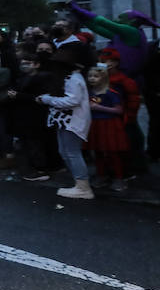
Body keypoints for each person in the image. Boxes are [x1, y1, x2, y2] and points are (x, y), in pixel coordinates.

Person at [37, 50, 94, 199]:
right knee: (65, 151)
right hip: (65, 120)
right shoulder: (68, 77)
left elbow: (72, 101)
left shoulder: (73, 78)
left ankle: (83, 187)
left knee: (72, 152)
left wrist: (48, 99)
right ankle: (79, 183)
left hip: (73, 120)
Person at [85, 64, 128, 192]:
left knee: (112, 152)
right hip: (95, 124)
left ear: (103, 78)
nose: (92, 78)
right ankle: (101, 175)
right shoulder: (90, 92)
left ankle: (119, 178)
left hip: (109, 124)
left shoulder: (110, 93)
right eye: (90, 76)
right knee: (98, 151)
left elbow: (119, 110)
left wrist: (99, 108)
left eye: (96, 76)